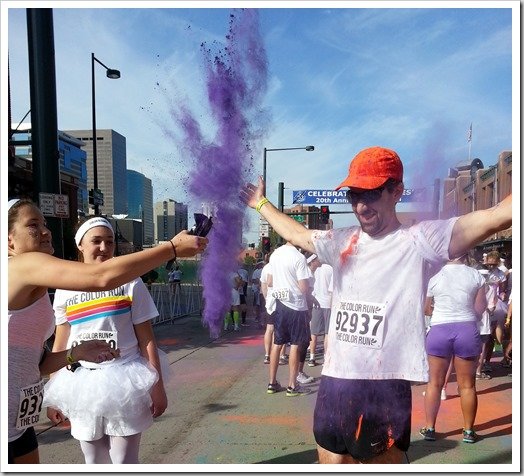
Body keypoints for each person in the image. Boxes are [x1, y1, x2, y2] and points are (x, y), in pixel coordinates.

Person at [242, 146, 512, 463]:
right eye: (354, 195)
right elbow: (298, 234)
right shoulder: (341, 241)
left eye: (371, 194)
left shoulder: (422, 239)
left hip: (384, 385)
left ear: (396, 191)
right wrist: (261, 204)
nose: (360, 205)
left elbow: (497, 217)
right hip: (335, 380)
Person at [7, 199, 207, 464]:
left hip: (18, 419)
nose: (46, 231)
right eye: (33, 225)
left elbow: (38, 362)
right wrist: (171, 248)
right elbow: (100, 277)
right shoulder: (21, 266)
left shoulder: (40, 282)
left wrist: (76, 353)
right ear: (9, 241)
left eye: (44, 224)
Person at [43, 217, 170, 464]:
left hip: (126, 380)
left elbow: (147, 340)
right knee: (94, 460)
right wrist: (55, 398)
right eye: (96, 241)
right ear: (80, 245)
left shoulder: (131, 282)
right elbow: (60, 344)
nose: (104, 247)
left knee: (124, 461)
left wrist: (157, 387)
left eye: (109, 242)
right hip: (81, 384)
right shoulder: (64, 288)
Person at [419, 255, 487, 444]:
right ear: (466, 254)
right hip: (466, 328)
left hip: (439, 329)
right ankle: (468, 431)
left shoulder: (435, 275)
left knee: (434, 383)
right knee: (467, 385)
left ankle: (430, 428)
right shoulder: (476, 275)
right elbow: (481, 307)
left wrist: (440, 311)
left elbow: (426, 309)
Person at [265, 242, 313, 396]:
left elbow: (270, 281)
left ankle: (272, 383)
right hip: (296, 306)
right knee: (295, 344)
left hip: (280, 304)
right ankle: (292, 386)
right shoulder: (298, 257)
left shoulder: (275, 254)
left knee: (277, 343)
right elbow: (303, 287)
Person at [306, 254, 333, 367]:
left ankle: (312, 357)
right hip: (328, 303)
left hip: (316, 302)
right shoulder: (331, 268)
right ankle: (326, 358)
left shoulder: (312, 269)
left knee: (314, 332)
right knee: (327, 333)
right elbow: (332, 289)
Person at [237, 261, 249, 326]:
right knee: (244, 307)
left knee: (233, 307)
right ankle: (243, 322)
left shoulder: (230, 272)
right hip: (239, 292)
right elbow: (244, 283)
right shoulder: (244, 272)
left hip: (233, 292)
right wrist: (245, 292)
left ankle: (232, 323)